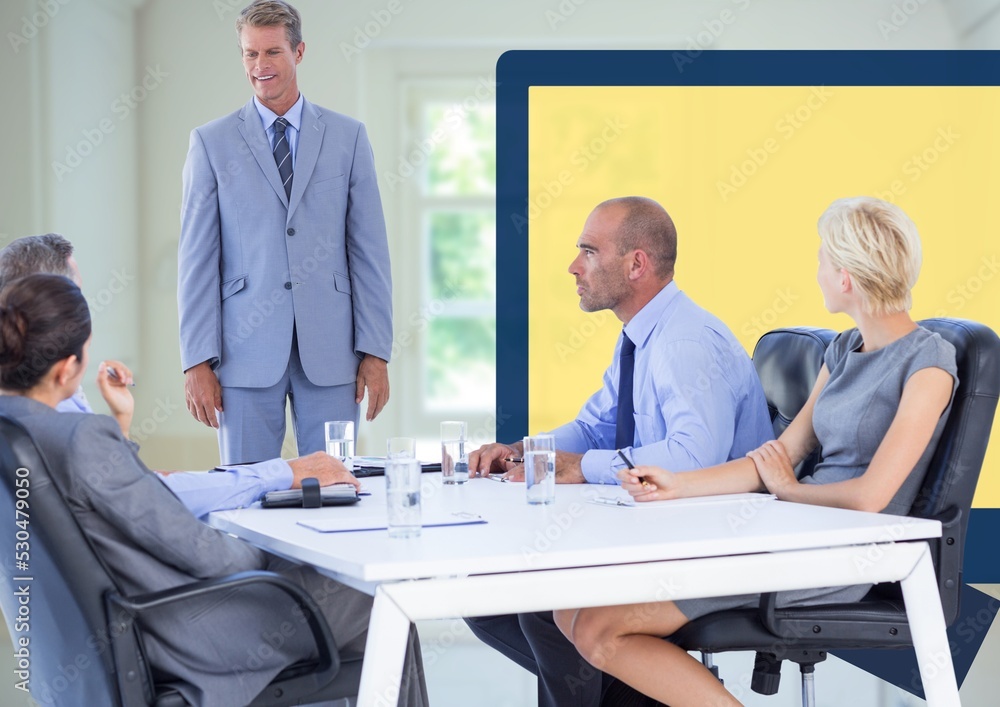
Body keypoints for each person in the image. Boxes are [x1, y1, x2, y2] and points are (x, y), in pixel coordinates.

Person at [553, 196, 958, 707]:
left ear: (847, 276)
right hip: (794, 530)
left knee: (597, 628)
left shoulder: (930, 360)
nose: (817, 272)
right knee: (570, 609)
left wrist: (788, 490)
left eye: (822, 260)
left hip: (841, 553)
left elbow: (872, 497)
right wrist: (678, 483)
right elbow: (777, 455)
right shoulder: (844, 350)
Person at [0, 273, 427, 707]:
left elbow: (96, 514)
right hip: (185, 637)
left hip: (108, 642)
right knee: (385, 601)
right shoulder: (80, 438)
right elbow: (213, 556)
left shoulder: (17, 435)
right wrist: (275, 558)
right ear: (66, 368)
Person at [466, 196, 774, 707]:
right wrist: (523, 451)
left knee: (542, 607)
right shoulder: (640, 336)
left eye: (589, 251)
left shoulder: (684, 342)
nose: (573, 266)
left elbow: (695, 458)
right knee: (489, 601)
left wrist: (580, 470)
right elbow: (596, 425)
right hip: (660, 532)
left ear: (637, 264)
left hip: (709, 543)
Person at [179, 0, 392, 465]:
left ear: (299, 51)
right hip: (243, 351)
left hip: (333, 351)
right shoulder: (210, 143)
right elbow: (196, 260)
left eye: (272, 52)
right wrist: (196, 360)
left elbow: (369, 251)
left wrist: (375, 351)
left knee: (334, 485)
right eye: (250, 54)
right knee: (245, 492)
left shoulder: (348, 136)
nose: (261, 66)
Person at [0, 233, 300, 519]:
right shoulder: (61, 425)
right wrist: (282, 474)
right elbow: (142, 501)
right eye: (75, 296)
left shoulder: (21, 416)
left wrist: (121, 427)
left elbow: (109, 489)